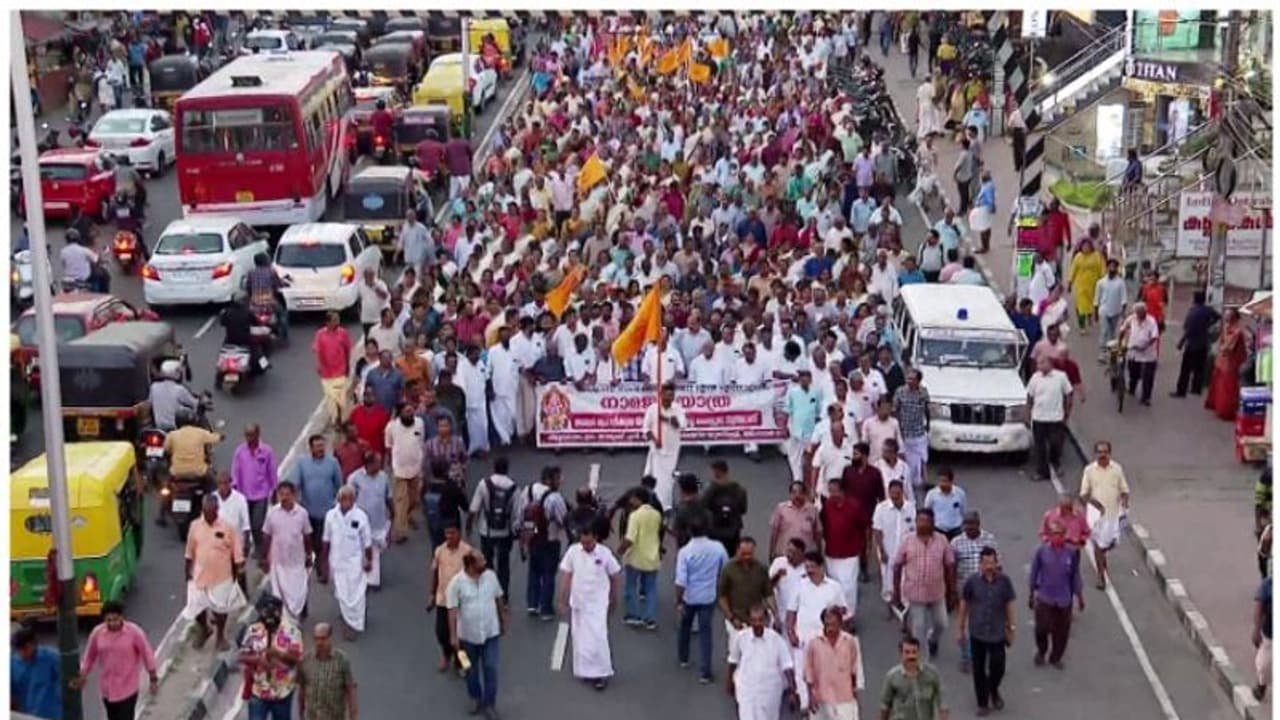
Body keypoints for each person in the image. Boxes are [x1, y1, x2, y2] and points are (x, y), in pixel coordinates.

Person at [558, 524, 623, 691]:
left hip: (597, 604)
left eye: (589, 542)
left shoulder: (604, 553)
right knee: (580, 639)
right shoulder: (573, 552)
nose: (586, 546)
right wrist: (562, 599)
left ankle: (601, 673)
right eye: (583, 542)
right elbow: (567, 576)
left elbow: (615, 576)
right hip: (579, 602)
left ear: (595, 538)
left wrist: (613, 598)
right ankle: (586, 671)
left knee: (598, 637)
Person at [70, 600, 157, 720]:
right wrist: (83, 674)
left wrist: (153, 678)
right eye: (108, 620)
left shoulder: (134, 633)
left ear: (121, 617)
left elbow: (147, 654)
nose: (112, 623)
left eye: (115, 619)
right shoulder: (98, 633)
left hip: (128, 689)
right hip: (107, 690)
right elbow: (89, 657)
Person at [954, 547, 1015, 716]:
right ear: (980, 564)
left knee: (998, 667)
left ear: (997, 563)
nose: (989, 566)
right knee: (978, 669)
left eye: (992, 562)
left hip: (997, 633)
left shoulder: (1005, 582)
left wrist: (1011, 628)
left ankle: (993, 689)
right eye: (985, 562)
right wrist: (959, 628)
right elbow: (964, 605)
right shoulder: (972, 582)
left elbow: (1009, 605)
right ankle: (982, 702)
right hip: (977, 632)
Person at [447, 550, 507, 719]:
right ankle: (475, 696)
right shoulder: (456, 583)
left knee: (491, 668)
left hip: (490, 633)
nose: (485, 562)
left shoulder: (491, 577)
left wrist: (502, 620)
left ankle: (489, 703)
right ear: (471, 565)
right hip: (467, 636)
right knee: (469, 669)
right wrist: (453, 636)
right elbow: (452, 611)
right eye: (481, 561)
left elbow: (498, 599)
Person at [182, 494, 247, 651]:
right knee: (196, 607)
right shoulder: (195, 526)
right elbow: (189, 551)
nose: (208, 514)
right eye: (205, 510)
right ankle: (204, 629)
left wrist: (239, 571)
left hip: (221, 576)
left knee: (221, 609)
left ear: (217, 510)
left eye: (211, 510)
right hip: (199, 575)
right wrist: (187, 570)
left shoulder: (228, 528)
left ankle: (220, 636)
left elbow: (237, 552)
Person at [786, 551, 848, 711]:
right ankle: (805, 707)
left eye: (812, 566)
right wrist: (791, 633)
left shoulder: (834, 587)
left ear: (821, 567)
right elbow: (791, 611)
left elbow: (843, 612)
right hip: (803, 637)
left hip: (825, 639)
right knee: (802, 672)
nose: (809, 570)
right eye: (806, 567)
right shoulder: (800, 586)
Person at [893, 508, 956, 659]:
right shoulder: (907, 540)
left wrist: (952, 591)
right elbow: (897, 566)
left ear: (933, 523)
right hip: (916, 595)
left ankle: (933, 639)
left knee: (942, 624)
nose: (922, 524)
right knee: (918, 629)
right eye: (920, 521)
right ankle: (924, 662)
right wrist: (896, 592)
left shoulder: (942, 540)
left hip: (937, 592)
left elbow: (950, 565)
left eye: (926, 521)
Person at [675, 517, 730, 683]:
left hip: (689, 596)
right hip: (708, 596)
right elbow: (725, 567)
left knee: (685, 627)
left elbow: (681, 580)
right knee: (706, 633)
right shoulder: (717, 547)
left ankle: (683, 657)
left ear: (690, 532)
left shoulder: (685, 551)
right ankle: (705, 671)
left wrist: (678, 600)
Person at [238, 593, 305, 720]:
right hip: (258, 691)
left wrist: (279, 654)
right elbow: (241, 656)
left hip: (282, 692)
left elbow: (297, 661)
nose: (269, 615)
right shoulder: (253, 630)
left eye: (273, 610)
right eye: (265, 611)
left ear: (279, 611)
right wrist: (258, 660)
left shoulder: (292, 632)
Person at [1029, 520, 1085, 668]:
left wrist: (1079, 596)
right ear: (1049, 535)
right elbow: (1034, 572)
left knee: (1061, 632)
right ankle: (1041, 651)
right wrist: (1031, 593)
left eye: (1060, 534)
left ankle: (1056, 657)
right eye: (1054, 534)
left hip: (1064, 599)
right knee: (1041, 629)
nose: (1057, 537)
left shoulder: (1071, 553)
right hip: (1045, 597)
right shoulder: (1041, 551)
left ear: (1064, 535)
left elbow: (1075, 575)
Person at [727, 603, 797, 719]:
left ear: (765, 621)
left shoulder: (776, 639)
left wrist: (792, 691)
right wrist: (729, 682)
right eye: (754, 620)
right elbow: (733, 661)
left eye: (760, 620)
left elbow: (787, 665)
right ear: (749, 620)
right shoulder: (741, 638)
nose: (757, 624)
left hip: (770, 691)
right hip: (746, 689)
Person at [322, 485, 374, 640]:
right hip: (337, 562)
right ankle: (347, 619)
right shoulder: (331, 516)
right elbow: (326, 540)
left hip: (355, 563)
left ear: (354, 500)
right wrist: (323, 563)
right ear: (338, 499)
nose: (346, 502)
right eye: (343, 499)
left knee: (356, 595)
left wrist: (368, 560)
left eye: (349, 499)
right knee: (342, 593)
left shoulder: (361, 517)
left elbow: (367, 542)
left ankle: (354, 624)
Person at [1079, 441, 1130, 590]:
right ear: (1095, 454)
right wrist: (1094, 503)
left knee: (1110, 543)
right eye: (1099, 452)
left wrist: (1125, 501)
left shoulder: (1117, 469)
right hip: (1096, 516)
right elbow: (1083, 494)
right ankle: (1101, 576)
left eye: (1105, 452)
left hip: (1113, 514)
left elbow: (1124, 489)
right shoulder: (1089, 470)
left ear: (1109, 453)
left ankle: (1102, 558)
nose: (1102, 455)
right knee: (1098, 546)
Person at [261, 480, 313, 621]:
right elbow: (266, 535)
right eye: (281, 494)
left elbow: (307, 536)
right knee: (279, 593)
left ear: (294, 495)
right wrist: (264, 557)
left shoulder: (302, 514)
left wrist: (309, 555)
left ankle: (299, 610)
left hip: (296, 560)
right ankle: (285, 622)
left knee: (298, 591)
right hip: (279, 561)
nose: (284, 497)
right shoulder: (272, 514)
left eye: (287, 494)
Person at [520, 465, 568, 619]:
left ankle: (532, 604)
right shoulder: (555, 497)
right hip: (549, 538)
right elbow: (563, 519)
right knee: (548, 573)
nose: (561, 481)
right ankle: (545, 608)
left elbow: (520, 512)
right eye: (558, 478)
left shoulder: (527, 490)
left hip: (531, 537)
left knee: (534, 570)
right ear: (549, 479)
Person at [468, 456, 519, 595]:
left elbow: (474, 508)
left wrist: (469, 528)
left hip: (486, 530)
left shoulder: (484, 484)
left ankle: (488, 592)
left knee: (487, 563)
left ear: (494, 467)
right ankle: (503, 595)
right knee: (503, 565)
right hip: (505, 532)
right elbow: (517, 514)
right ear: (507, 469)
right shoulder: (513, 487)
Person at [294, 435, 343, 581]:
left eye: (322, 445)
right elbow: (295, 483)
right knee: (314, 541)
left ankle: (323, 568)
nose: (320, 449)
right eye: (317, 446)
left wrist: (337, 503)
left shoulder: (333, 463)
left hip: (328, 511)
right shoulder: (302, 463)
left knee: (325, 541)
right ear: (311, 448)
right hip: (309, 510)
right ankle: (319, 563)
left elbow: (339, 484)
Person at [804, 606, 865, 720]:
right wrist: (810, 697)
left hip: (845, 698)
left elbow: (855, 669)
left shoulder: (850, 641)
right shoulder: (814, 643)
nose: (830, 628)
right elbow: (808, 672)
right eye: (827, 625)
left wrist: (856, 699)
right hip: (821, 699)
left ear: (840, 623)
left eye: (833, 624)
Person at [819, 478, 866, 618]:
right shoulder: (827, 506)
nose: (832, 494)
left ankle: (848, 616)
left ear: (842, 490)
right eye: (830, 491)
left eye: (835, 490)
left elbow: (863, 526)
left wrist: (864, 548)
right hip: (831, 553)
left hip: (850, 554)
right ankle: (835, 616)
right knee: (834, 587)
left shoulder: (854, 506)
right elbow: (822, 525)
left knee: (849, 587)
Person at [430, 524, 473, 672]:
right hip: (443, 599)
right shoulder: (440, 551)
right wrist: (431, 594)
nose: (449, 536)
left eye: (452, 533)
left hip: (461, 602)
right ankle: (447, 655)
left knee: (461, 636)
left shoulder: (467, 552)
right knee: (442, 633)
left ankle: (462, 662)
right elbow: (435, 573)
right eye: (446, 533)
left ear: (459, 533)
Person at [619, 485, 663, 630]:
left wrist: (620, 550)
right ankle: (650, 618)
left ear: (638, 499)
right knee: (650, 589)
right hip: (653, 557)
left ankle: (634, 615)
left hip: (636, 557)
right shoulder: (656, 514)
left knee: (631, 586)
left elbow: (630, 538)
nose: (631, 500)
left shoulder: (635, 515)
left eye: (633, 498)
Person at [231, 423, 279, 553]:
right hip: (244, 493)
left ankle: (259, 547)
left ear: (258, 434)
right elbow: (235, 471)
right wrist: (234, 488)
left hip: (261, 494)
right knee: (246, 524)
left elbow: (272, 471)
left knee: (257, 524)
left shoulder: (267, 451)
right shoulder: (240, 451)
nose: (249, 438)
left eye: (252, 435)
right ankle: (245, 546)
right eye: (247, 435)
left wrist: (274, 489)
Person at [348, 451, 393, 589]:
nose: (380, 465)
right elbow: (348, 500)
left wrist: (392, 514)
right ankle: (363, 578)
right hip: (359, 522)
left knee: (375, 550)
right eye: (377, 463)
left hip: (378, 521)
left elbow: (388, 496)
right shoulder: (355, 478)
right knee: (360, 549)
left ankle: (372, 579)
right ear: (369, 464)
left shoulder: (383, 477)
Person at [1025, 355, 1073, 483]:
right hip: (1039, 417)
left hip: (1055, 417)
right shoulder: (1035, 378)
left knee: (1055, 443)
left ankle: (1055, 463)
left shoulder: (1061, 377)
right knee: (1039, 446)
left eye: (1042, 363)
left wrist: (1067, 413)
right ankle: (1042, 472)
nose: (1039, 366)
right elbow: (1029, 397)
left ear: (1050, 363)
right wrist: (1028, 413)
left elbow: (1068, 394)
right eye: (1038, 363)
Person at [297, 623, 358, 720]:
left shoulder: (342, 660)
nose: (319, 643)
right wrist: (301, 714)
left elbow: (350, 689)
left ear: (330, 638)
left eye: (323, 638)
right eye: (316, 639)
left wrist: (353, 716)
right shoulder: (305, 660)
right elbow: (302, 689)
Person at [385, 402, 425, 544]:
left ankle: (407, 517)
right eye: (407, 412)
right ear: (400, 413)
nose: (410, 414)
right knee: (401, 501)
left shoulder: (419, 423)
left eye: (411, 411)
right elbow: (389, 446)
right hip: (399, 470)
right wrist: (391, 464)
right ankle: (400, 532)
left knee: (414, 500)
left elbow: (421, 441)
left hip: (416, 468)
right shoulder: (391, 427)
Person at [643, 382, 687, 510]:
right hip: (656, 449)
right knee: (655, 476)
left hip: (672, 450)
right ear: (661, 395)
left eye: (671, 396)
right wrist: (655, 439)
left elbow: (681, 425)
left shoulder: (677, 409)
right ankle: (654, 503)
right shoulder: (652, 409)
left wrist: (666, 419)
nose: (669, 399)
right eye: (667, 395)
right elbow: (646, 429)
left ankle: (666, 505)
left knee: (667, 479)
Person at [872, 480, 916, 607]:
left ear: (902, 492)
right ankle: (890, 606)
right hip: (888, 551)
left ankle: (904, 605)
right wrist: (881, 550)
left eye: (897, 493)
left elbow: (914, 530)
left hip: (905, 552)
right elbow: (877, 530)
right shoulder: (881, 508)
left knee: (905, 579)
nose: (895, 496)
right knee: (888, 580)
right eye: (892, 493)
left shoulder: (910, 508)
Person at [880, 637, 947, 720]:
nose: (911, 656)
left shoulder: (932, 674)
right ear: (901, 654)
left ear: (919, 653)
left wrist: (944, 716)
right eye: (907, 652)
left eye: (914, 652)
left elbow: (942, 700)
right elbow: (885, 706)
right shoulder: (892, 677)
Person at [1173, 290, 1220, 397]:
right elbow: (1218, 316)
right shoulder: (1208, 310)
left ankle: (1181, 390)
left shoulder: (1192, 312)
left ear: (1195, 299)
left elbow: (1188, 330)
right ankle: (1196, 388)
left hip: (1192, 343)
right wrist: (1208, 324)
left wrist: (1181, 343)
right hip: (1203, 343)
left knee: (1185, 369)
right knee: (1200, 367)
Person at [1205, 308, 1250, 420]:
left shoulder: (1237, 331)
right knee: (1222, 385)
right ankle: (1220, 407)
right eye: (1225, 315)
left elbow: (1228, 347)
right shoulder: (1228, 328)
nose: (1225, 318)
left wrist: (1221, 349)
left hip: (1231, 362)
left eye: (1228, 316)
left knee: (1228, 387)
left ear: (1233, 318)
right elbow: (1222, 343)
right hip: (1224, 361)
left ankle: (1226, 411)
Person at [313, 311, 354, 429]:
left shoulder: (343, 333)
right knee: (331, 397)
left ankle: (340, 418)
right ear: (328, 322)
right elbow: (317, 350)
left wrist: (347, 365)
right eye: (335, 320)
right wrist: (319, 364)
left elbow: (347, 350)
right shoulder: (320, 334)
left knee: (340, 396)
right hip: (327, 371)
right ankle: (335, 418)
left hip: (340, 369)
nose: (337, 322)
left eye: (338, 319)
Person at [12, 625, 62, 719]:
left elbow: (68, 679)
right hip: (24, 716)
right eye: (19, 650)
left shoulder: (51, 658)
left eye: (25, 649)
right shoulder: (12, 664)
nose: (22, 653)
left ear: (34, 644)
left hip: (49, 715)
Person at [214, 471, 252, 589]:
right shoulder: (212, 498)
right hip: (218, 542)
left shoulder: (240, 499)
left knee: (239, 572)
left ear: (230, 483)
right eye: (220, 484)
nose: (223, 487)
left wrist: (246, 543)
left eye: (225, 483)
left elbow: (246, 524)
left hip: (236, 541)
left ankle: (242, 594)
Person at [704, 459, 749, 557]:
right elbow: (743, 509)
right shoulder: (739, 489)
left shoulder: (711, 489)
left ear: (716, 472)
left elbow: (704, 505)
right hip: (733, 529)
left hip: (715, 529)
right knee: (732, 556)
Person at [1119, 301, 1160, 405]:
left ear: (1145, 312)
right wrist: (1120, 343)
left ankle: (1146, 397)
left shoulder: (1151, 321)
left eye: (1142, 313)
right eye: (1138, 313)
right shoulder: (1131, 319)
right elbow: (1123, 330)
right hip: (1133, 352)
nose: (1140, 316)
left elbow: (1155, 337)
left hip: (1148, 353)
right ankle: (1132, 388)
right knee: (1133, 372)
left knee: (1148, 376)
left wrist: (1145, 346)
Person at [785, 369, 823, 484]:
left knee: (808, 459)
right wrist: (786, 428)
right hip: (795, 430)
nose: (804, 379)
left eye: (807, 377)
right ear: (799, 380)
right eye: (802, 377)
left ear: (810, 379)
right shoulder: (792, 392)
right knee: (795, 459)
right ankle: (797, 481)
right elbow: (787, 411)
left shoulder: (816, 392)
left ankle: (808, 482)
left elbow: (818, 412)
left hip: (810, 432)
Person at [769, 481, 822, 560]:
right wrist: (771, 552)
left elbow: (818, 533)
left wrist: (819, 552)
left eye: (800, 492)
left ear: (805, 494)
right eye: (794, 492)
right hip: (785, 555)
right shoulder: (781, 509)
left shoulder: (812, 510)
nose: (797, 495)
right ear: (789, 494)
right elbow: (774, 532)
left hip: (806, 556)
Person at [150, 359, 200, 431]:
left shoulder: (154, 386)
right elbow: (194, 403)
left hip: (157, 426)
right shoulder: (179, 389)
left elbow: (149, 403)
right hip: (173, 427)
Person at [1094, 258, 1127, 359]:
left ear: (1117, 269)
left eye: (1114, 267)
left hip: (1116, 311)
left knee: (1112, 333)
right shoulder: (1101, 282)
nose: (1112, 268)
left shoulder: (1120, 283)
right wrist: (1095, 312)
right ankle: (1102, 352)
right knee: (1104, 331)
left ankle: (1111, 352)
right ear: (1107, 268)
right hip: (1104, 310)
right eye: (1110, 266)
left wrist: (1123, 312)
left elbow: (1124, 298)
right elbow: (1097, 298)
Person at [923, 468, 965, 539]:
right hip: (938, 530)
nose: (942, 484)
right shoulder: (932, 494)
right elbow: (927, 512)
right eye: (940, 481)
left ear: (951, 481)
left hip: (955, 530)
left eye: (944, 481)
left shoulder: (960, 494)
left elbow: (963, 511)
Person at [1252, 576, 1272, 701]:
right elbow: (1258, 608)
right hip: (1270, 634)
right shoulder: (1268, 586)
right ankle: (1261, 685)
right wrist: (1256, 630)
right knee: (1262, 665)